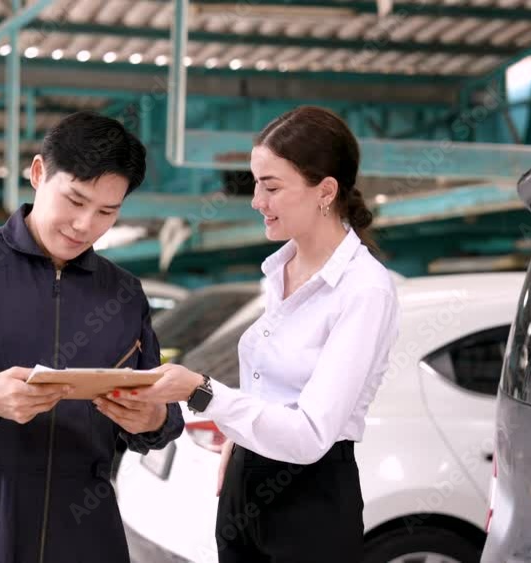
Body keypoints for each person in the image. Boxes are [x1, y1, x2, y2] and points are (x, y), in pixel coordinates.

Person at [0, 111, 184, 563]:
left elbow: (163, 411)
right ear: (39, 172)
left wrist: (153, 420)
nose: (85, 224)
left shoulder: (123, 293)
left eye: (107, 211)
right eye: (75, 200)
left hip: (87, 512)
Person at [116, 106, 400, 562]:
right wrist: (239, 436)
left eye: (271, 186)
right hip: (245, 479)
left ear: (325, 191)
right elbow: (269, 385)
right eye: (255, 184)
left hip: (309, 499)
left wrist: (203, 392)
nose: (255, 201)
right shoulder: (280, 269)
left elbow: (309, 433)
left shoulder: (364, 289)